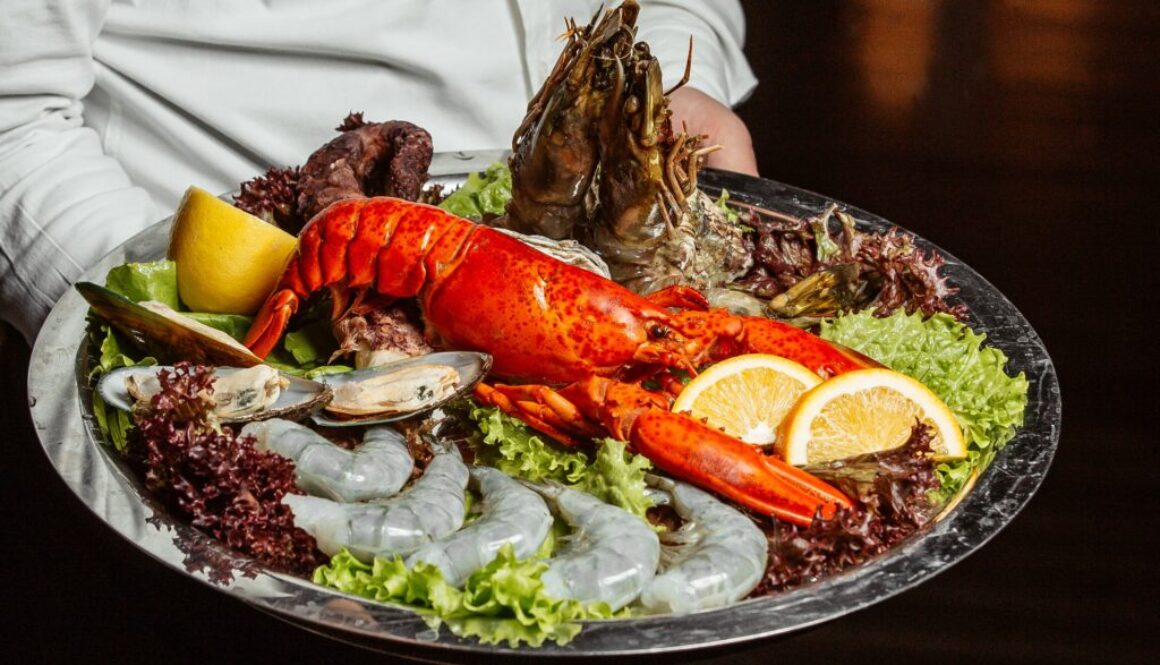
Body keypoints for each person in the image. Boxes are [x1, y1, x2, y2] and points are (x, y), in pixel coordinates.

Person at [0, 0, 758, 344]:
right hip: (280, 296)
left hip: (593, 265)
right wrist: (178, 330)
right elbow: (12, 126)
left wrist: (677, 76)